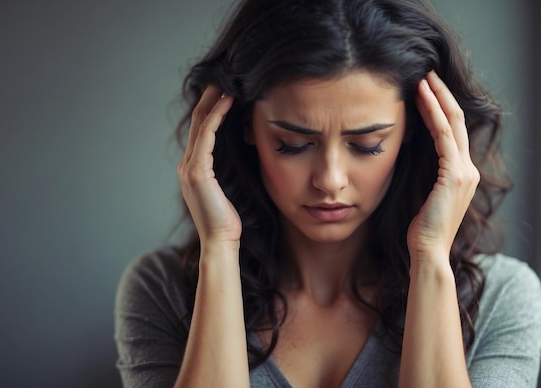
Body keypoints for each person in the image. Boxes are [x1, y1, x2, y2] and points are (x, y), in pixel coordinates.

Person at [114, 0, 541, 386]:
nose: (330, 180)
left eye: (367, 145)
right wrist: (220, 248)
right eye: (293, 145)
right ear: (241, 127)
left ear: (419, 131)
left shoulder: (501, 300)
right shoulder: (163, 291)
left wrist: (429, 258)